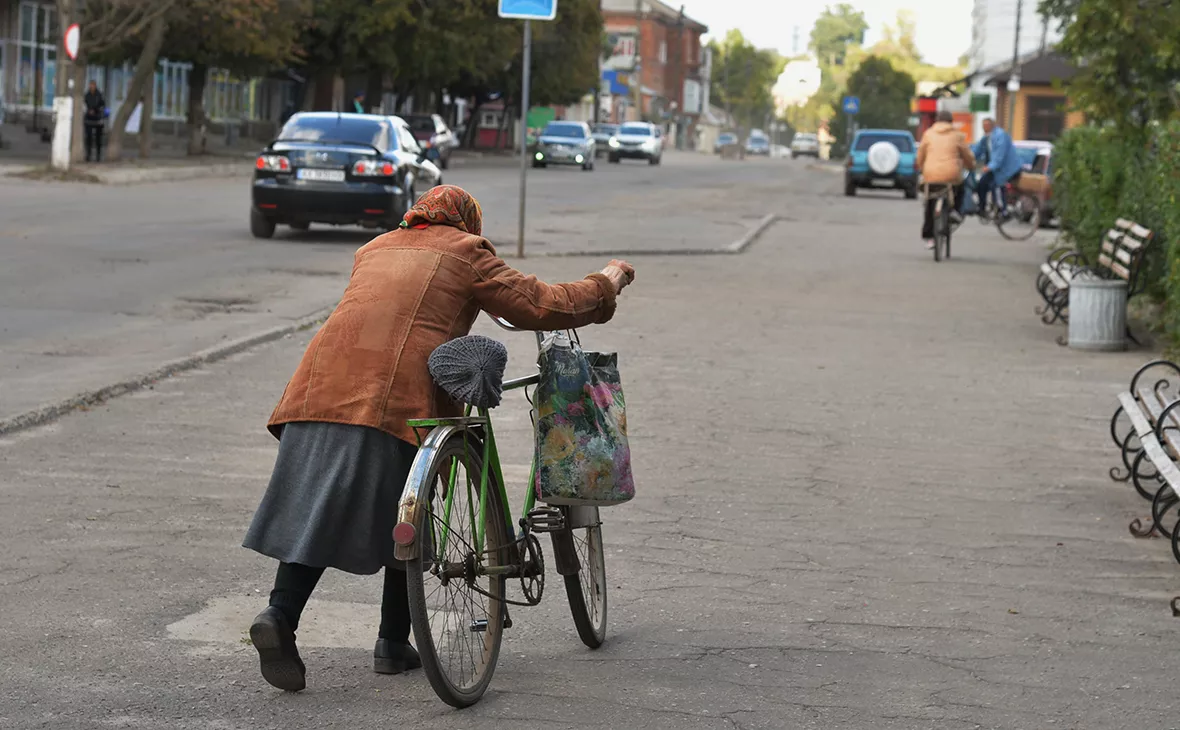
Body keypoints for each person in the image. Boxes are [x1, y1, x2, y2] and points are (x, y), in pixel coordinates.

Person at [242, 185, 636, 693]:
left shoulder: (376, 247)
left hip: (318, 388)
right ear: (467, 222)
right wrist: (605, 283)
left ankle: (290, 617)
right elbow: (539, 304)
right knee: (409, 508)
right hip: (394, 396)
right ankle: (383, 639)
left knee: (320, 504)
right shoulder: (466, 252)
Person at [916, 110, 975, 249]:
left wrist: (921, 168)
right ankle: (955, 211)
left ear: (937, 121)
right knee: (960, 187)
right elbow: (967, 155)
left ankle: (929, 237)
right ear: (951, 122)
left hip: (930, 175)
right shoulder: (957, 135)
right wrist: (971, 166)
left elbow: (920, 155)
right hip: (951, 175)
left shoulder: (928, 134)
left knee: (930, 201)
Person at [972, 118, 1023, 217]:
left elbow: (999, 156)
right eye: (983, 125)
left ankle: (1003, 210)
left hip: (1008, 168)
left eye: (986, 125)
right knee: (981, 184)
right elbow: (977, 150)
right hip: (996, 168)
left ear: (991, 125)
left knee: (996, 185)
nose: (984, 127)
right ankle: (982, 208)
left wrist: (989, 167)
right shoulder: (987, 137)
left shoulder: (1000, 135)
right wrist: (968, 158)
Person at [83, 81, 106, 162]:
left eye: (93, 85)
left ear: (95, 86)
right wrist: (89, 111)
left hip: (97, 119)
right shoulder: (87, 95)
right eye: (90, 85)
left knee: (98, 138)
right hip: (89, 119)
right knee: (88, 138)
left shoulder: (99, 95)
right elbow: (85, 105)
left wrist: (96, 111)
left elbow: (102, 105)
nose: (92, 87)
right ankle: (88, 155)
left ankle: (98, 156)